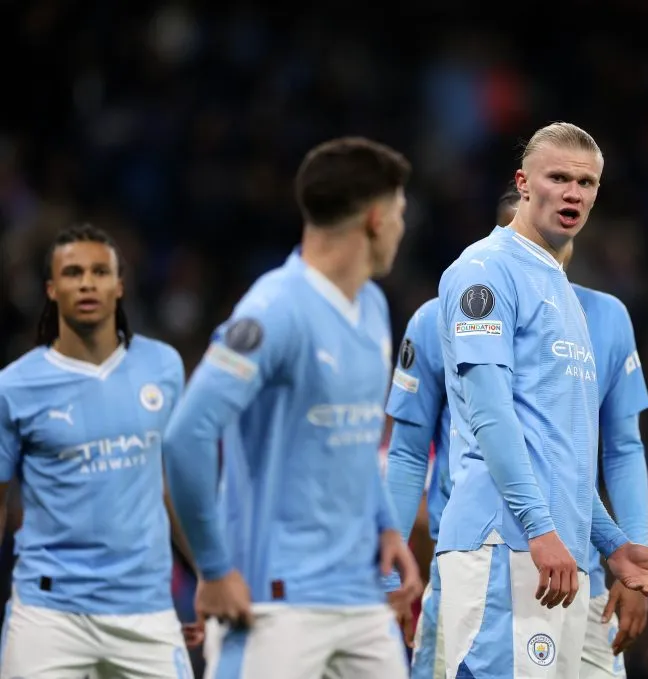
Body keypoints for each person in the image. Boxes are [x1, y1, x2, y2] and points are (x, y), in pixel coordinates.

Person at [163, 137, 423, 679]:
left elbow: (353, 438)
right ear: (375, 219)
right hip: (272, 598)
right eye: (399, 212)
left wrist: (387, 528)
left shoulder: (372, 306)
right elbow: (185, 436)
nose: (403, 226)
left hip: (357, 592)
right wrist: (213, 569)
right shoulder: (273, 310)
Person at [435, 122, 648, 678]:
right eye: (559, 178)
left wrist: (613, 544)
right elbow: (491, 415)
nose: (574, 193)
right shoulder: (486, 270)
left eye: (587, 183)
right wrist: (539, 528)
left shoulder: (562, 291)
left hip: (559, 553)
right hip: (506, 544)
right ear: (523, 183)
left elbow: (562, 456)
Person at [386, 185, 648, 678]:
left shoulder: (606, 318)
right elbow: (406, 453)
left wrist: (629, 548)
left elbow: (622, 447)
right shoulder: (443, 315)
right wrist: (390, 570)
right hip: (482, 561)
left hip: (584, 569)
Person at [0, 224, 198, 678]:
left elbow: (171, 484)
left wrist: (209, 572)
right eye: (72, 273)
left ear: (119, 284)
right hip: (49, 613)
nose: (87, 282)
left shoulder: (163, 366)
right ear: (51, 289)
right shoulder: (14, 387)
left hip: (145, 608)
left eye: (99, 271)